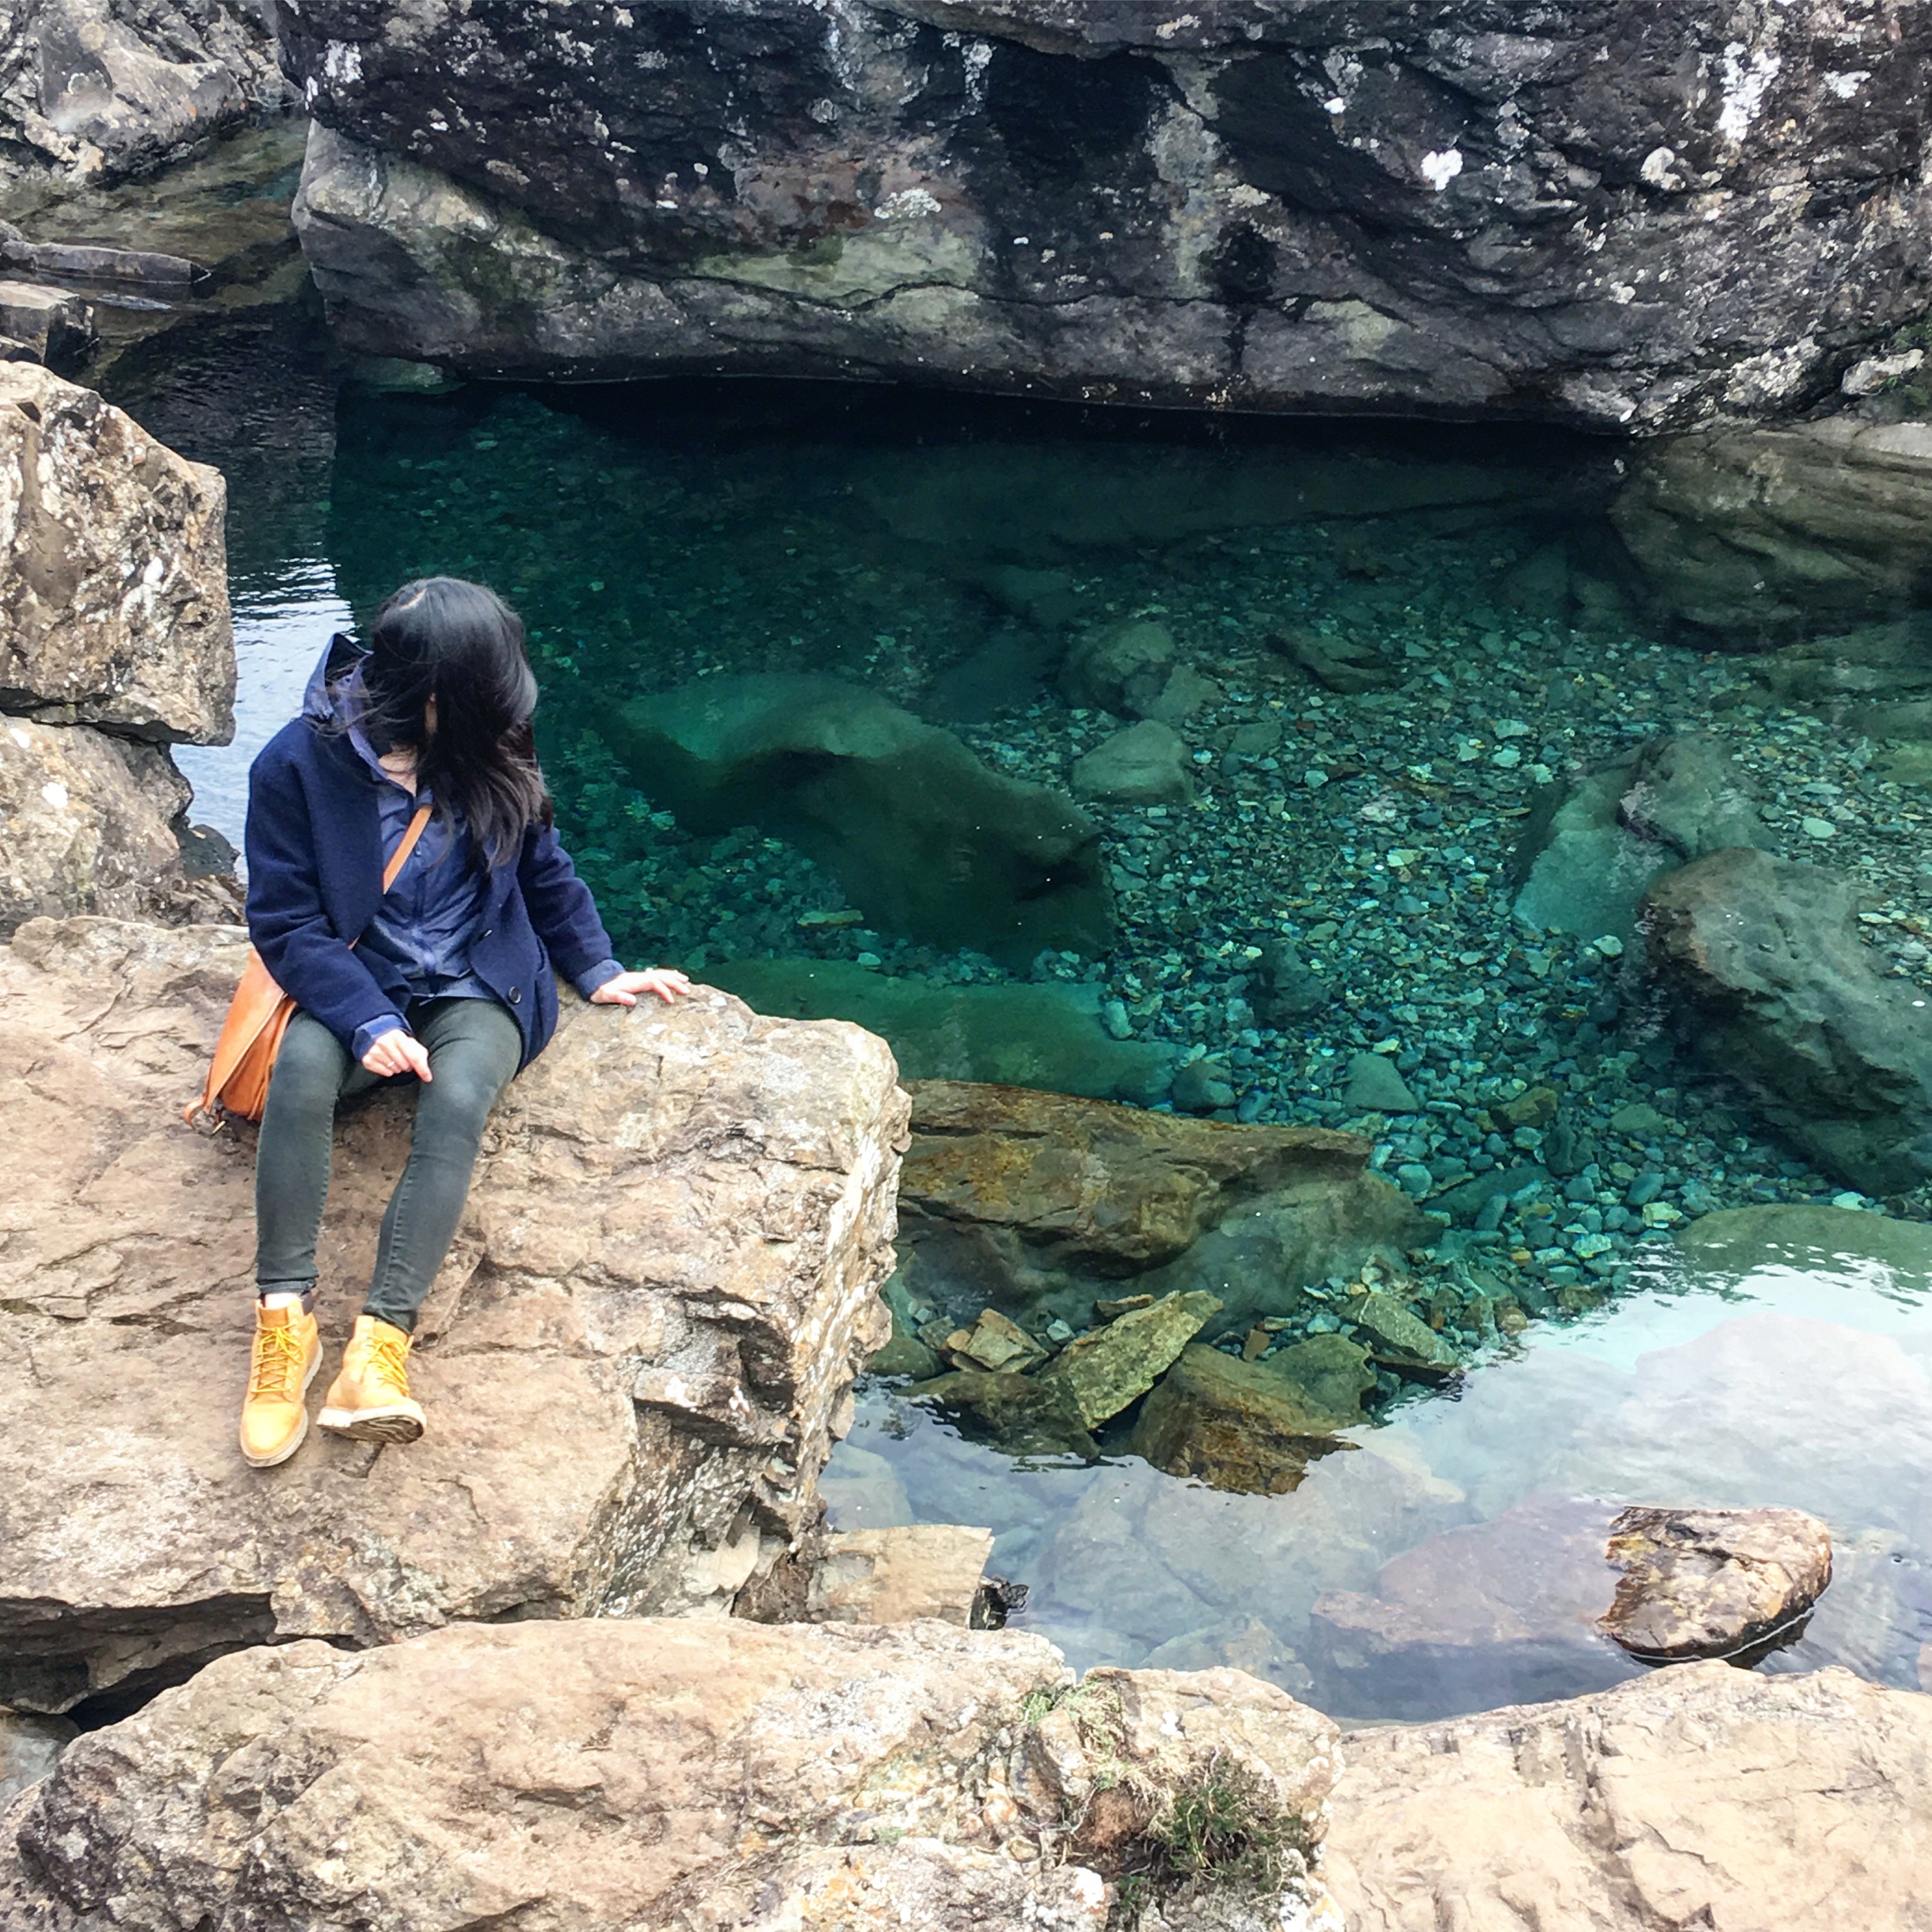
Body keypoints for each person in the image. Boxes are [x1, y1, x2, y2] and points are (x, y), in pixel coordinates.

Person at [237, 577, 690, 1468]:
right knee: (300, 1072)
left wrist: (597, 966)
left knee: (459, 1098)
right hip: (359, 976)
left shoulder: (487, 746)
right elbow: (286, 923)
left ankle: (379, 1348)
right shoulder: (293, 765)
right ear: (435, 699)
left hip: (480, 981)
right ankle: (284, 1323)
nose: (513, 704)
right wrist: (364, 1018)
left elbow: (544, 866)